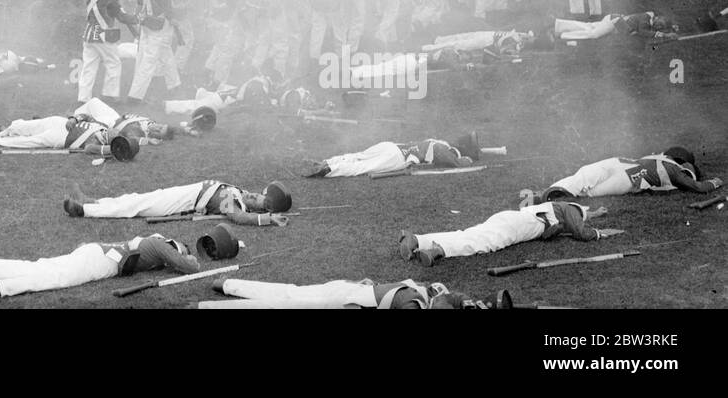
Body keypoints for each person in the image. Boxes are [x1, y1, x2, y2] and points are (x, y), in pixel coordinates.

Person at [0, 233, 199, 304]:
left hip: (97, 254)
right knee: (56, 277)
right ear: (175, 246)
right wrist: (191, 261)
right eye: (180, 251)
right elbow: (185, 267)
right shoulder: (159, 245)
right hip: (102, 261)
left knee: (42, 268)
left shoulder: (150, 244)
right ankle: (0, 289)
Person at [398, 200, 621, 266]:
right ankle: (439, 250)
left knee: (469, 233)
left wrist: (596, 214)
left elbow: (580, 218)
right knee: (485, 242)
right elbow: (580, 230)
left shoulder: (566, 209)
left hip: (513, 218)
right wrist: (599, 233)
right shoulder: (571, 209)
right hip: (522, 226)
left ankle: (417, 239)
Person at [64, 178, 293, 225]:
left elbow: (240, 218)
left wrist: (267, 218)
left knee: (132, 207)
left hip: (174, 205)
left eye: (258, 202)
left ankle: (82, 210)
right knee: (132, 199)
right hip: (176, 193)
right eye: (257, 194)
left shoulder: (230, 201)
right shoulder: (237, 192)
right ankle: (91, 201)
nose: (253, 196)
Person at [534, 147, 723, 201]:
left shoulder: (659, 156)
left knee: (584, 176)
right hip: (629, 175)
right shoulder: (676, 169)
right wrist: (716, 182)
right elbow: (696, 186)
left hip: (619, 163)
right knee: (591, 189)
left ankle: (552, 192)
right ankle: (556, 196)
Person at [78, 0, 139, 102]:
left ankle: (83, 98)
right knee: (113, 63)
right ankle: (110, 95)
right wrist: (137, 18)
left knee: (88, 68)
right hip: (104, 36)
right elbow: (122, 17)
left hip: (88, 36)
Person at [206, 276, 475, 309]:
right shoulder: (413, 301)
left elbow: (455, 298)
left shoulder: (414, 288)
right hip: (341, 299)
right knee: (284, 302)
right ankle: (213, 301)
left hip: (347, 291)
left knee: (289, 293)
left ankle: (227, 284)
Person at [128, 0, 181, 103]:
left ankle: (174, 85)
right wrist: (174, 21)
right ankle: (135, 96)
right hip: (159, 25)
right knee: (149, 62)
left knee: (166, 54)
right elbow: (167, 7)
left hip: (146, 23)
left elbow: (138, 1)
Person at [306, 133, 481, 178]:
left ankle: (329, 161)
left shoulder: (436, 141)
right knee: (363, 166)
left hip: (390, 146)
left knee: (359, 156)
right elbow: (456, 163)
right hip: (399, 157)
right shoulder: (443, 148)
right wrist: (468, 159)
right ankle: (330, 169)